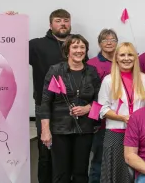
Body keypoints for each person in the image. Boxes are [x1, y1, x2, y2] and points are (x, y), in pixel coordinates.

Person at [38, 34, 101, 183]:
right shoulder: (55, 70)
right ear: (67, 50)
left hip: (85, 130)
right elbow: (45, 102)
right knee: (61, 174)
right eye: (75, 47)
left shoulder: (92, 71)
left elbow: (100, 100)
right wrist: (45, 130)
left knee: (81, 173)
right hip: (60, 130)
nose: (79, 50)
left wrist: (88, 108)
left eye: (82, 47)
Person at [29, 8, 72, 183]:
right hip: (44, 106)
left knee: (67, 154)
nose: (63, 23)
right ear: (50, 24)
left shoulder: (76, 44)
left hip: (70, 108)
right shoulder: (36, 45)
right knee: (45, 152)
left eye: (66, 20)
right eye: (58, 20)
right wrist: (9, 22)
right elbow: (10, 48)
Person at [97, 42, 145, 183]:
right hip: (115, 134)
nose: (126, 58)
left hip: (139, 134)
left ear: (135, 58)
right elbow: (101, 109)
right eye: (122, 55)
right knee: (116, 175)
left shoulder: (144, 79)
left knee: (138, 174)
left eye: (130, 54)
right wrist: (123, 118)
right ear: (117, 58)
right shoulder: (108, 80)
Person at [86, 28, 118, 183]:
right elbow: (89, 95)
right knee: (98, 161)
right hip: (99, 122)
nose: (109, 42)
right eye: (105, 40)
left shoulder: (123, 61)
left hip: (120, 119)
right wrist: (94, 120)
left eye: (112, 39)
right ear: (99, 43)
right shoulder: (91, 64)